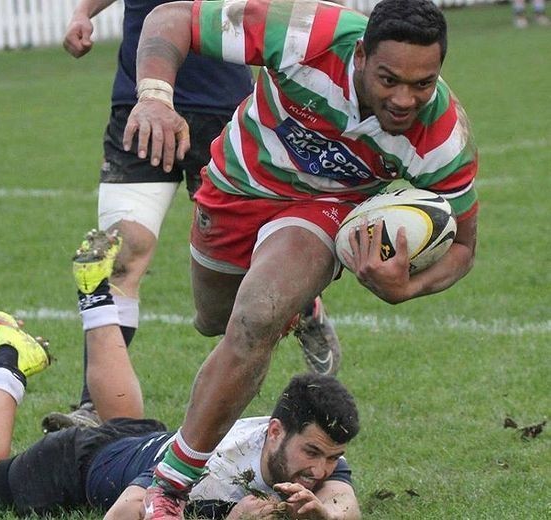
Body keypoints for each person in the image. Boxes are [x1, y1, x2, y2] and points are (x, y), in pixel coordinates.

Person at [121, 0, 479, 516]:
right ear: (359, 56)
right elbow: (169, 18)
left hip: (324, 211)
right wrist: (155, 97)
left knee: (254, 320)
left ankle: (171, 487)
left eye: (423, 84)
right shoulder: (307, 34)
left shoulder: (442, 138)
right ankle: (302, 305)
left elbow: (465, 247)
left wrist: (407, 288)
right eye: (389, 79)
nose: (405, 99)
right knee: (213, 321)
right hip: (238, 182)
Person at [42, 0, 344, 431]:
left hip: (223, 111)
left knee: (243, 269)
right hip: (141, 102)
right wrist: (82, 13)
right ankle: (94, 407)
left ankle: (303, 305)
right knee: (120, 254)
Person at [0, 238, 362, 519]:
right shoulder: (217, 463)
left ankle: (95, 296)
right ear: (274, 431)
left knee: (124, 424)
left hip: (140, 439)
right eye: (313, 453)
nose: (321, 469)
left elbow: (346, 506)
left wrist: (323, 513)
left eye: (331, 457)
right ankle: (10, 360)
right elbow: (123, 512)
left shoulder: (315, 451)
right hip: (76, 465)